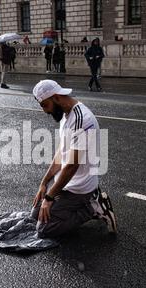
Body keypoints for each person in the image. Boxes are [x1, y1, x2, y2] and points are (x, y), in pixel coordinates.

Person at [31, 80, 117, 238]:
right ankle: (73, 206)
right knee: (35, 215)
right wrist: (44, 182)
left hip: (80, 187)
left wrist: (49, 198)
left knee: (44, 229)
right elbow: (61, 153)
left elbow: (71, 166)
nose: (44, 111)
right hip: (68, 183)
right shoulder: (66, 115)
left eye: (44, 105)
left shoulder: (81, 120)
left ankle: (93, 207)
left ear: (56, 97)